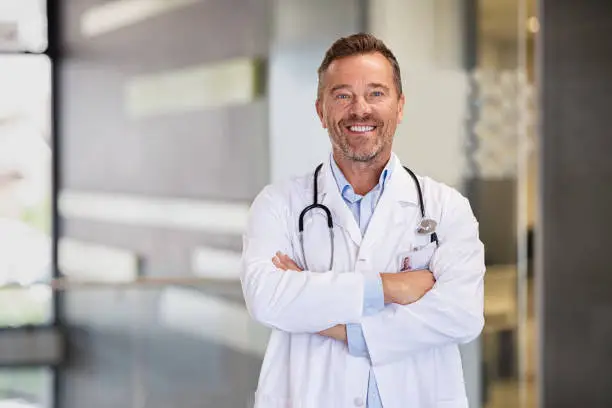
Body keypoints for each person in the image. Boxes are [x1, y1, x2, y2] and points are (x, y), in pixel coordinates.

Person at [240, 33, 485, 408]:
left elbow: (462, 315)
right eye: (342, 95)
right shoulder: (279, 204)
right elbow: (266, 299)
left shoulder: (446, 208)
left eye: (376, 93)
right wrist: (390, 288)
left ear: (399, 107)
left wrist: (337, 326)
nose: (360, 110)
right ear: (321, 111)